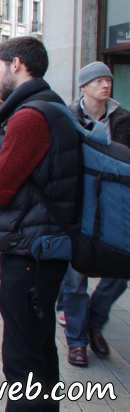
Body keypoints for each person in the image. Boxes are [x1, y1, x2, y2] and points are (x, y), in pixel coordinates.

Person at [0, 37, 78, 412]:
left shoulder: (30, 118)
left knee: (23, 362)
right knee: (39, 352)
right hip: (43, 249)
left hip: (30, 253)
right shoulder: (50, 108)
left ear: (16, 64)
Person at [60, 62, 130, 367]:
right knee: (75, 279)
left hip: (116, 207)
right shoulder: (68, 118)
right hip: (79, 208)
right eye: (99, 80)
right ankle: (77, 341)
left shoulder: (124, 120)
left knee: (120, 274)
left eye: (108, 80)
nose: (106, 85)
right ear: (83, 87)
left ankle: (94, 322)